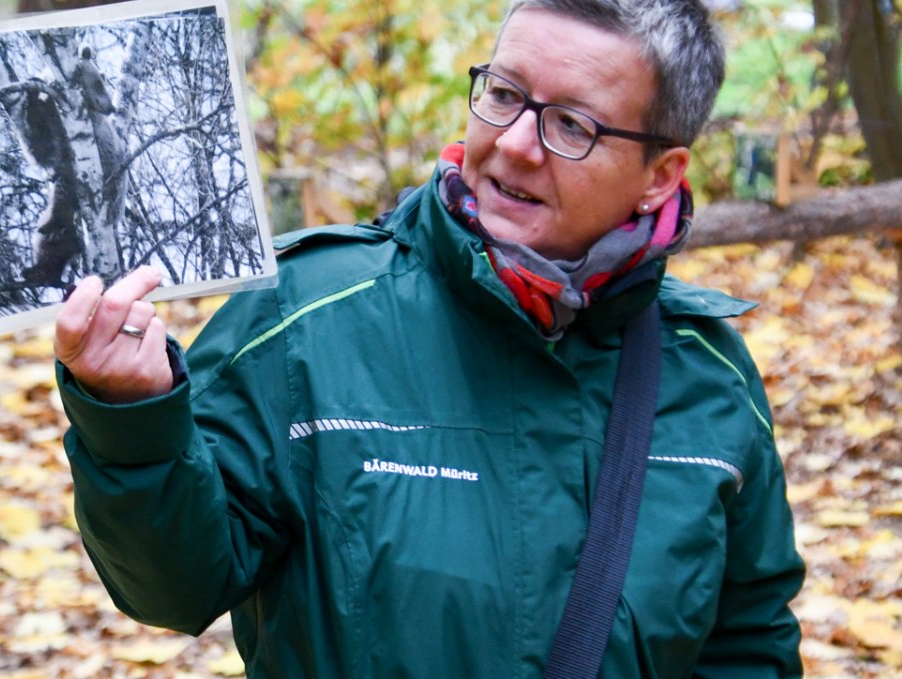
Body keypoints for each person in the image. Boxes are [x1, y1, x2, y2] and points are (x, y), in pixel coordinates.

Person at [51, 0, 803, 676]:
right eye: (504, 94)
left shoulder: (708, 377)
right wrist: (132, 416)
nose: (513, 145)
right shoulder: (307, 317)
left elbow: (746, 647)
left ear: (660, 175)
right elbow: (172, 587)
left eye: (571, 125)